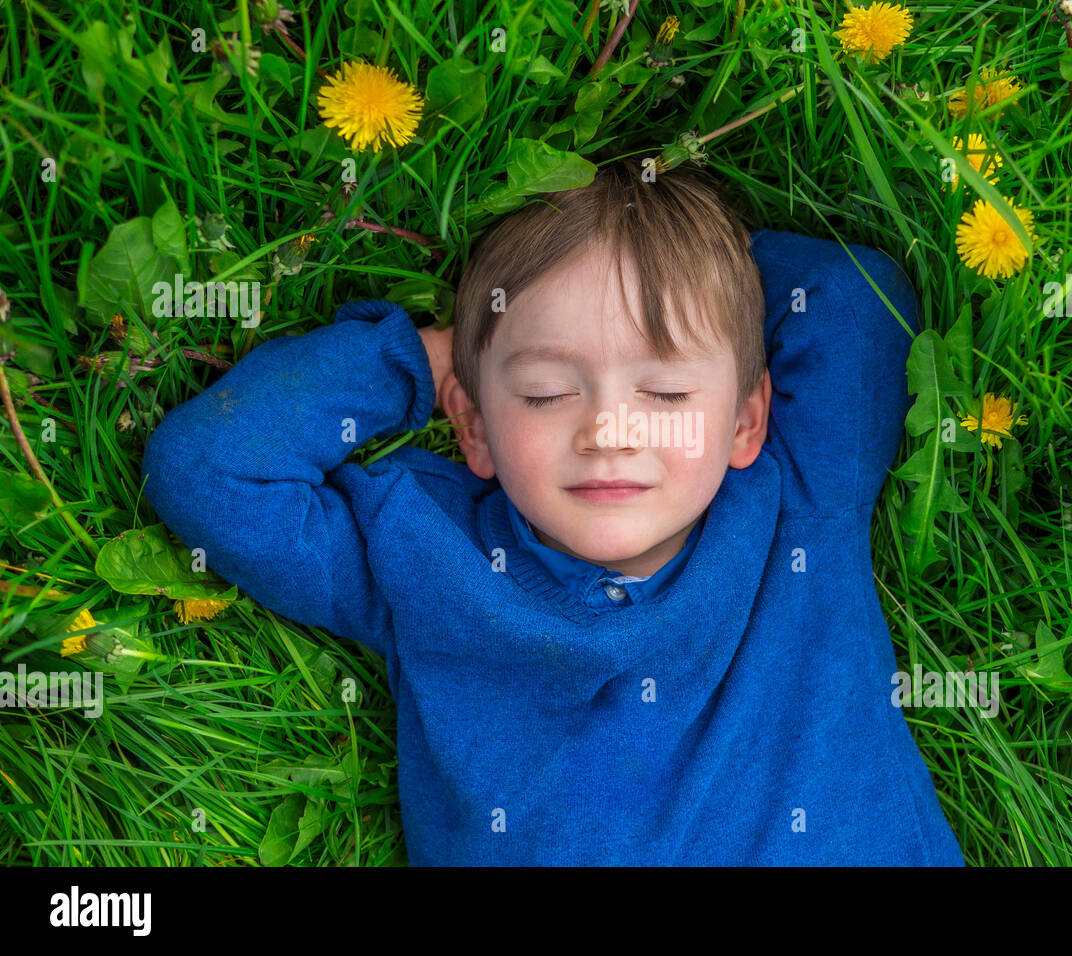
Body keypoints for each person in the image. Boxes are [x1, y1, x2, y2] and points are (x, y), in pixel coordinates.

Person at [140, 155, 964, 865]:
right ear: (473, 425)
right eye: (544, 393)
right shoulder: (421, 553)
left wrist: (683, 257)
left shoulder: (798, 497)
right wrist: (429, 364)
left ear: (746, 419)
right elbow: (210, 470)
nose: (608, 430)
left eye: (668, 390)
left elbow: (856, 296)